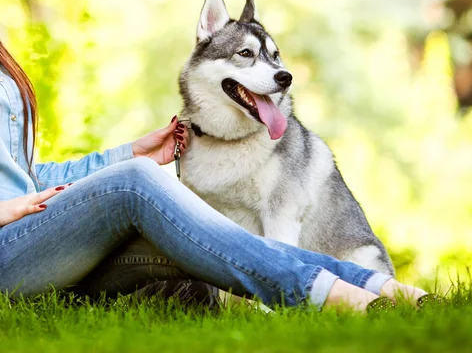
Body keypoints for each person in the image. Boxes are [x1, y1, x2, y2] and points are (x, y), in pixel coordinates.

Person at [0, 41, 428, 312]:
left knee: (189, 235)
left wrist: (129, 151)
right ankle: (326, 296)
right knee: (136, 181)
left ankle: (376, 285)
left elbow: (23, 175)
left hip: (33, 239)